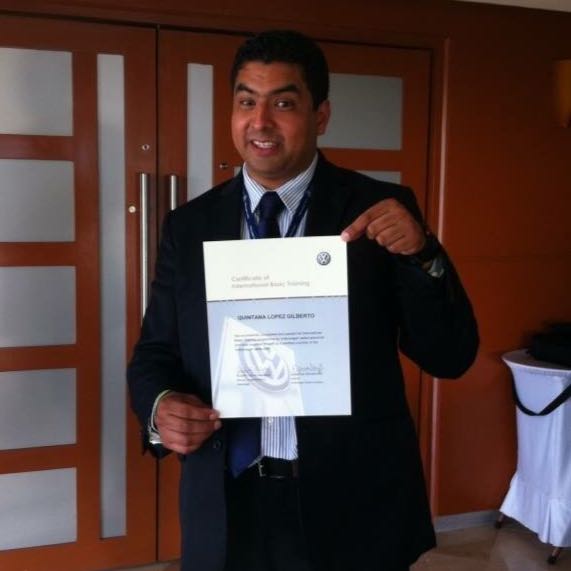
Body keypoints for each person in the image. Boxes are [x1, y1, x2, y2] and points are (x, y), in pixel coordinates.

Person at [128, 29, 478, 571]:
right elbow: (155, 352)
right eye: (247, 102)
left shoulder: (379, 209)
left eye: (284, 103)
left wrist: (423, 254)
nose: (261, 122)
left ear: (321, 115)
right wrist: (160, 407)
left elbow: (449, 354)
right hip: (228, 499)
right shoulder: (190, 225)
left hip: (354, 500)